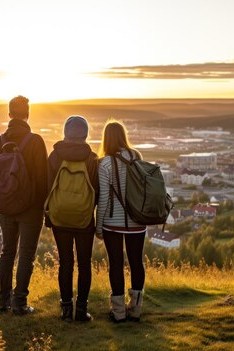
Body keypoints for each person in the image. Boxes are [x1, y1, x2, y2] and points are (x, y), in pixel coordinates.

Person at [0, 95, 48, 315]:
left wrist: (3, 201)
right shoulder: (36, 142)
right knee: (26, 255)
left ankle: (3, 302)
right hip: (30, 210)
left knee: (7, 253)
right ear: (28, 114)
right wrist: (40, 207)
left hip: (5, 209)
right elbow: (43, 181)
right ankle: (19, 304)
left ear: (9, 114)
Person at [45, 115, 99, 322]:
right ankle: (81, 310)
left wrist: (49, 215)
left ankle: (66, 309)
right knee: (84, 263)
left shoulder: (55, 156)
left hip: (59, 218)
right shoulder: (92, 158)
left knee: (65, 262)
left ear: (66, 133)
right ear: (85, 134)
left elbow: (48, 188)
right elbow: (96, 191)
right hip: (85, 219)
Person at [95, 120, 146, 323]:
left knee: (115, 264)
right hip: (137, 221)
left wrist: (98, 227)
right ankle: (136, 310)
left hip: (112, 223)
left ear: (106, 138)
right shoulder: (137, 156)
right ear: (124, 136)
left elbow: (104, 198)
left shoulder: (105, 163)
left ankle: (118, 312)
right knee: (136, 262)